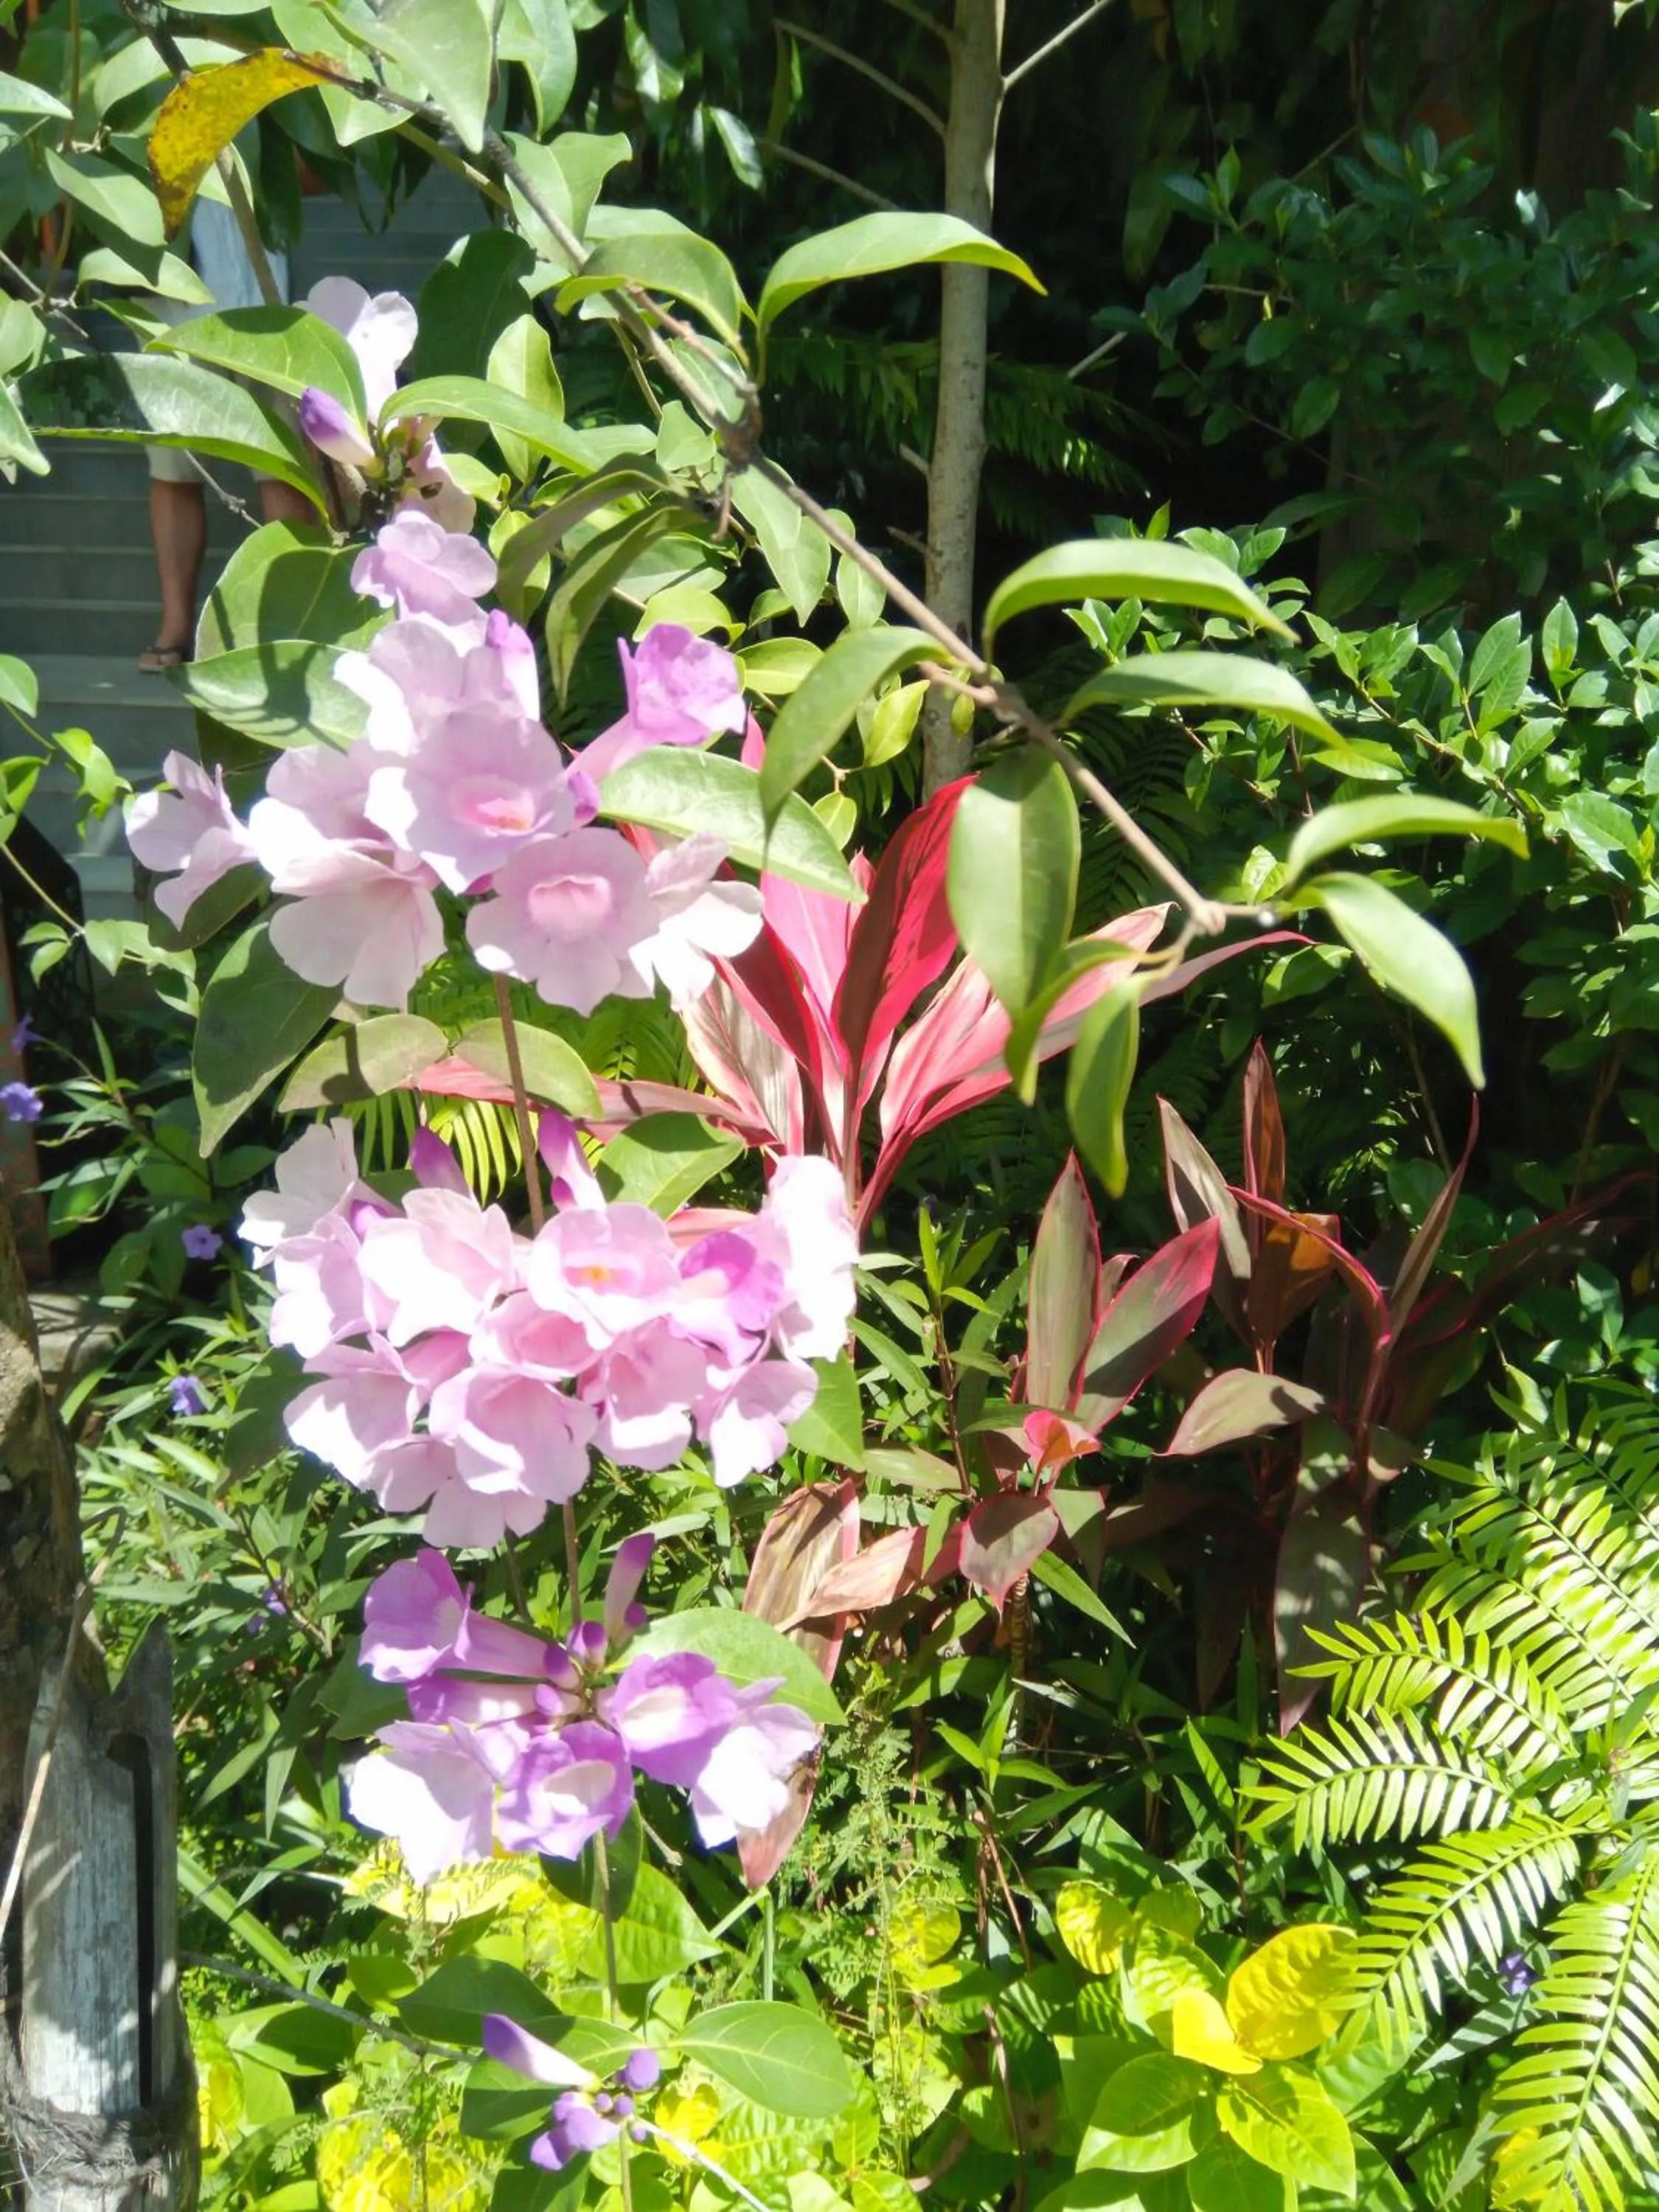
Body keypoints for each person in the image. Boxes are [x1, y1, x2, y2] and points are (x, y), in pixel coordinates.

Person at [142, 192, 313, 672]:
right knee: (173, 468)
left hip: (262, 296)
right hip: (169, 302)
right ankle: (176, 628)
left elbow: (304, 177)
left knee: (282, 467)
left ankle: (293, 623)